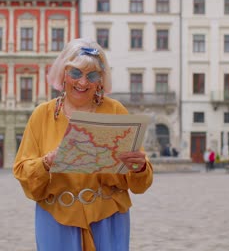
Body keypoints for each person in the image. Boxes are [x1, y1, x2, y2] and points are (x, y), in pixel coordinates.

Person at [13, 38, 153, 250]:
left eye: (92, 75)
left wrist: (140, 167)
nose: (83, 82)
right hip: (56, 219)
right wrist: (46, 163)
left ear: (101, 80)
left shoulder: (115, 111)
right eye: (76, 73)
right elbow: (22, 171)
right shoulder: (42, 114)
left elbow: (140, 183)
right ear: (63, 74)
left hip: (109, 218)